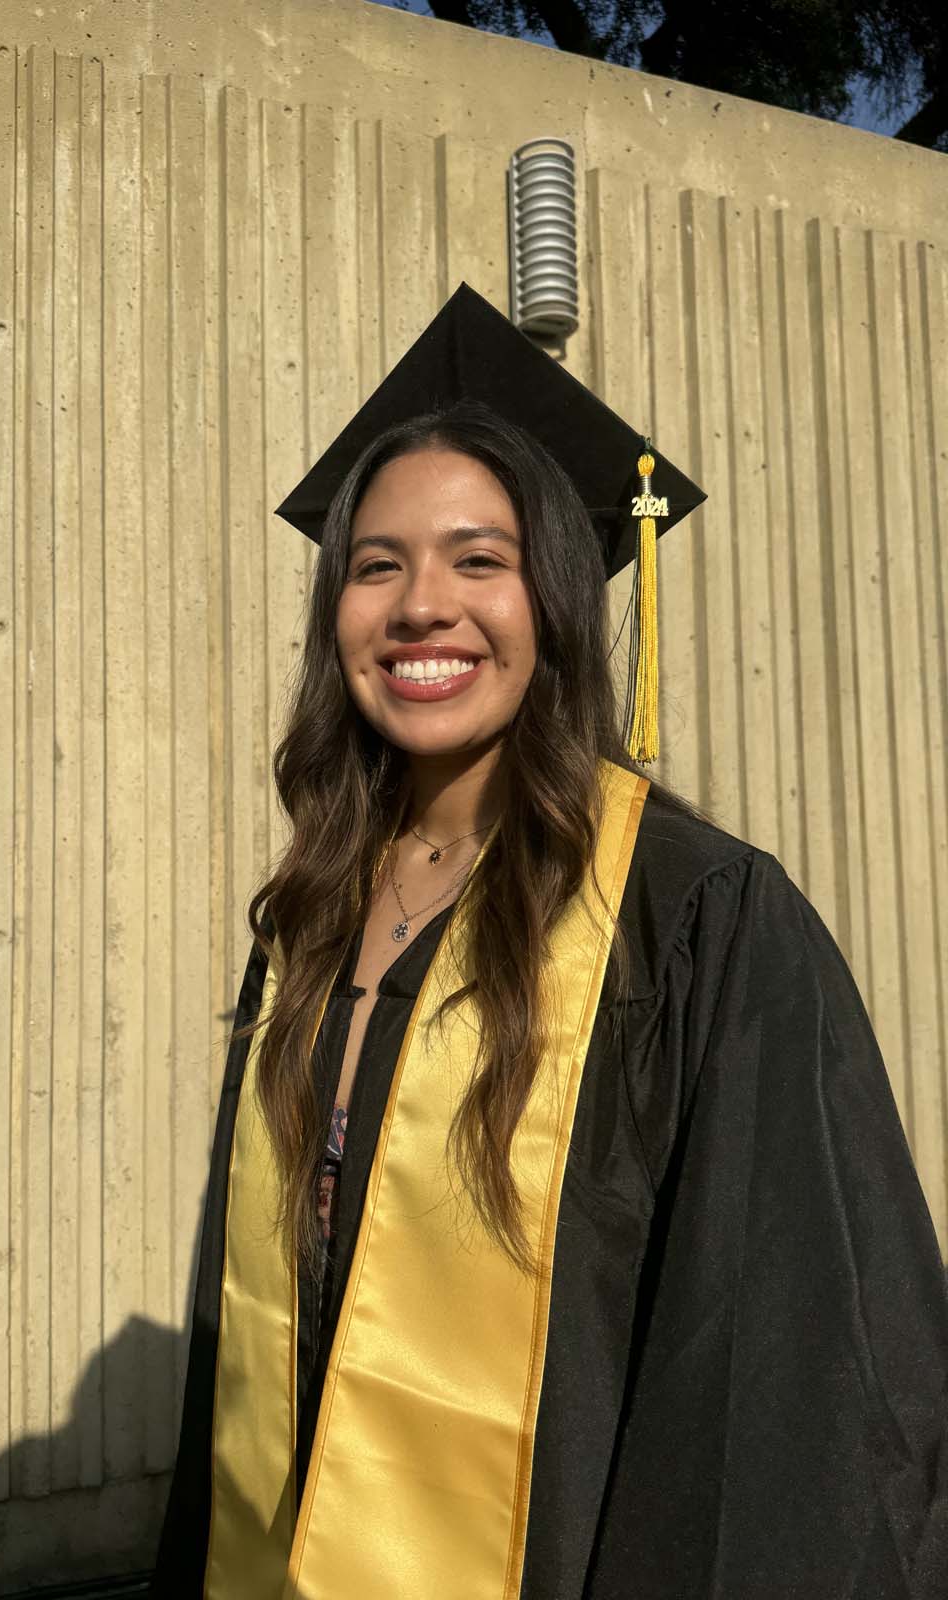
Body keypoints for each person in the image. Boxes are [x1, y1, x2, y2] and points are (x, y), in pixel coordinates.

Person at [154, 286, 948, 1598]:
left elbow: (774, 1381)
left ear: (561, 599)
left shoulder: (695, 920)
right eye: (375, 564)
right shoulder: (308, 920)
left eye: (480, 559)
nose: (420, 606)